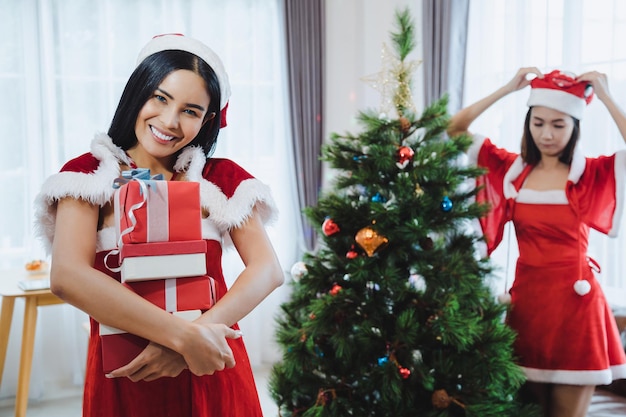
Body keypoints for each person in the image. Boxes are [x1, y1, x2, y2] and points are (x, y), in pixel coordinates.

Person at [34, 34, 284, 417]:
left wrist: (192, 344)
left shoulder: (219, 179)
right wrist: (181, 338)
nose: (169, 122)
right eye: (160, 98)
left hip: (211, 367)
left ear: (207, 119)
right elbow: (68, 276)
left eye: (190, 110)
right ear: (137, 92)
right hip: (128, 376)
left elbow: (267, 270)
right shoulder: (89, 175)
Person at [447, 67, 626, 417]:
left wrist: (604, 96)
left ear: (575, 127)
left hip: (576, 308)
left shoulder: (590, 174)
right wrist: (506, 88)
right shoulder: (510, 170)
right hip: (527, 307)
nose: (547, 133)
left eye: (559, 125)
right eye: (538, 122)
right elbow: (454, 129)